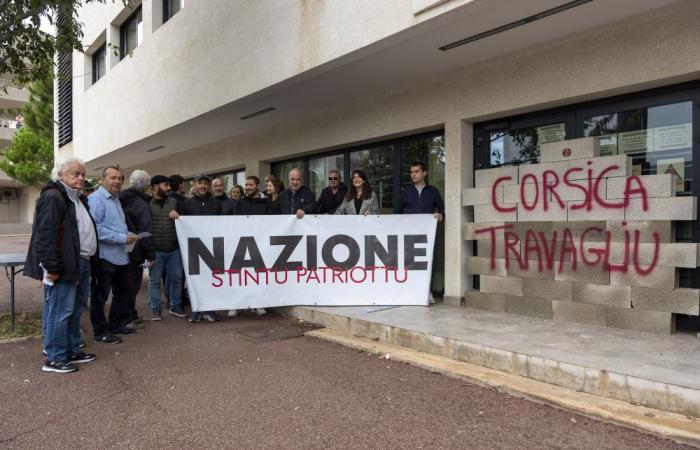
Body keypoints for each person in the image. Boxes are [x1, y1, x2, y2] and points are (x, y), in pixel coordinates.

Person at [26, 158, 97, 373]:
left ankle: (73, 349)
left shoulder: (78, 199)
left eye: (83, 174)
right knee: (60, 311)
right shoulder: (53, 197)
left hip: (81, 262)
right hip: (64, 266)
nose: (81, 178)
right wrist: (52, 267)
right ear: (61, 175)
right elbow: (45, 236)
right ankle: (55, 357)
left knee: (75, 310)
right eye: (75, 174)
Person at [88, 165, 139, 344]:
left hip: (121, 255)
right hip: (104, 257)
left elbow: (115, 225)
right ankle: (100, 331)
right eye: (113, 178)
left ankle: (115, 325)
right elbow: (96, 229)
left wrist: (128, 234)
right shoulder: (96, 199)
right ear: (103, 180)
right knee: (100, 296)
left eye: (120, 178)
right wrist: (122, 238)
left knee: (123, 292)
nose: (117, 181)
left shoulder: (116, 199)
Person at [173, 174, 222, 322]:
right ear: (194, 185)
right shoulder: (186, 204)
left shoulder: (215, 203)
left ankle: (210, 309)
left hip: (212, 247)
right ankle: (196, 309)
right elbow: (181, 225)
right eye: (200, 183)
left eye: (205, 183)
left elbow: (221, 224)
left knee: (211, 279)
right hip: (193, 248)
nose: (203, 186)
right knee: (194, 280)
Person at [394, 162, 445, 303]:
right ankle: (410, 292)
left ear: (424, 173)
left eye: (416, 171)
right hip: (408, 234)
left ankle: (426, 292)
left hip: (426, 235)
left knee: (426, 263)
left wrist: (440, 216)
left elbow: (442, 210)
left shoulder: (433, 191)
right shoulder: (406, 192)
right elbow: (396, 213)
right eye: (411, 172)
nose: (413, 174)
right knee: (409, 263)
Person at [229, 175, 271, 317]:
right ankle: (235, 305)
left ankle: (257, 304)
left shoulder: (267, 202)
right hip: (242, 243)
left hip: (261, 243)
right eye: (246, 185)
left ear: (257, 186)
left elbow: (274, 221)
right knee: (239, 275)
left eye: (250, 185)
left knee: (257, 275)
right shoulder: (239, 203)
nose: (247, 187)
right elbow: (235, 222)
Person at [118, 170, 155, 328]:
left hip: (121, 248)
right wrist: (150, 254)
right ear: (147, 187)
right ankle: (127, 319)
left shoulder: (119, 198)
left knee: (123, 285)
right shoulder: (141, 204)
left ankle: (130, 314)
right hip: (136, 250)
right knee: (132, 285)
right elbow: (145, 231)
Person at [148, 175, 187, 320]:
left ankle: (175, 306)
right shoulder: (147, 203)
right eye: (165, 185)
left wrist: (179, 217)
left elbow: (185, 222)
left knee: (177, 278)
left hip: (174, 249)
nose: (169, 188)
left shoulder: (175, 202)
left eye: (169, 185)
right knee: (154, 281)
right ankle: (155, 309)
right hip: (155, 250)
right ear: (155, 186)